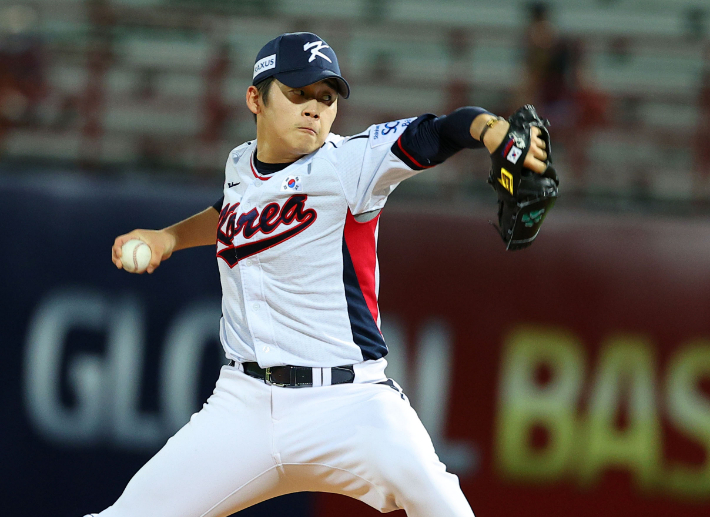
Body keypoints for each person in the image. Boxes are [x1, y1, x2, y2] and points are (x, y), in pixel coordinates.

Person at [96, 31, 548, 517]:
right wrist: (169, 237)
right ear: (256, 99)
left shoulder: (349, 163)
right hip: (243, 403)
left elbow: (436, 132)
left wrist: (488, 129)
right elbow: (233, 207)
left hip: (349, 403)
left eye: (326, 98)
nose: (314, 108)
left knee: (444, 507)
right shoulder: (239, 164)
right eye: (297, 93)